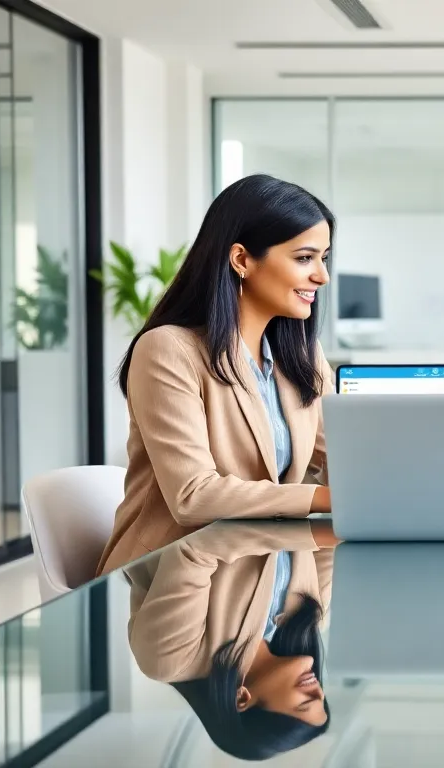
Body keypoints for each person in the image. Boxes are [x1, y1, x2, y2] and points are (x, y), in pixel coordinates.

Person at [97, 174, 335, 576]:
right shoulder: (168, 350)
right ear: (242, 259)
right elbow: (193, 496)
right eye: (304, 258)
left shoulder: (301, 355)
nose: (322, 276)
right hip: (171, 577)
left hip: (260, 567)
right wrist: (323, 498)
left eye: (323, 259)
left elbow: (346, 453)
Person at [125, 520, 338, 760]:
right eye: (322, 698)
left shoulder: (172, 658)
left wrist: (292, 523)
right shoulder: (309, 621)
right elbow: (331, 534)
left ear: (243, 698)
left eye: (305, 704)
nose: (318, 692)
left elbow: (194, 548)